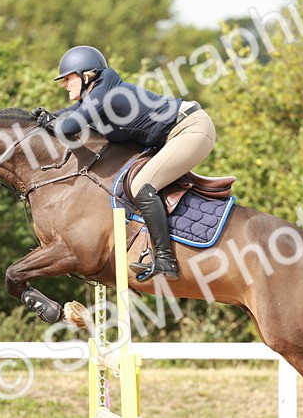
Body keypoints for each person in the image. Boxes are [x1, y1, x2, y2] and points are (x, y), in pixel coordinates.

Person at [41, 45, 216, 281]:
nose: (63, 83)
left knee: (142, 184)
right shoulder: (97, 92)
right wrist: (48, 117)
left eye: (67, 78)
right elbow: (72, 111)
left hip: (191, 128)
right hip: (177, 133)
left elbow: (71, 126)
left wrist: (53, 124)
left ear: (86, 76)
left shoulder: (103, 92)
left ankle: (166, 260)